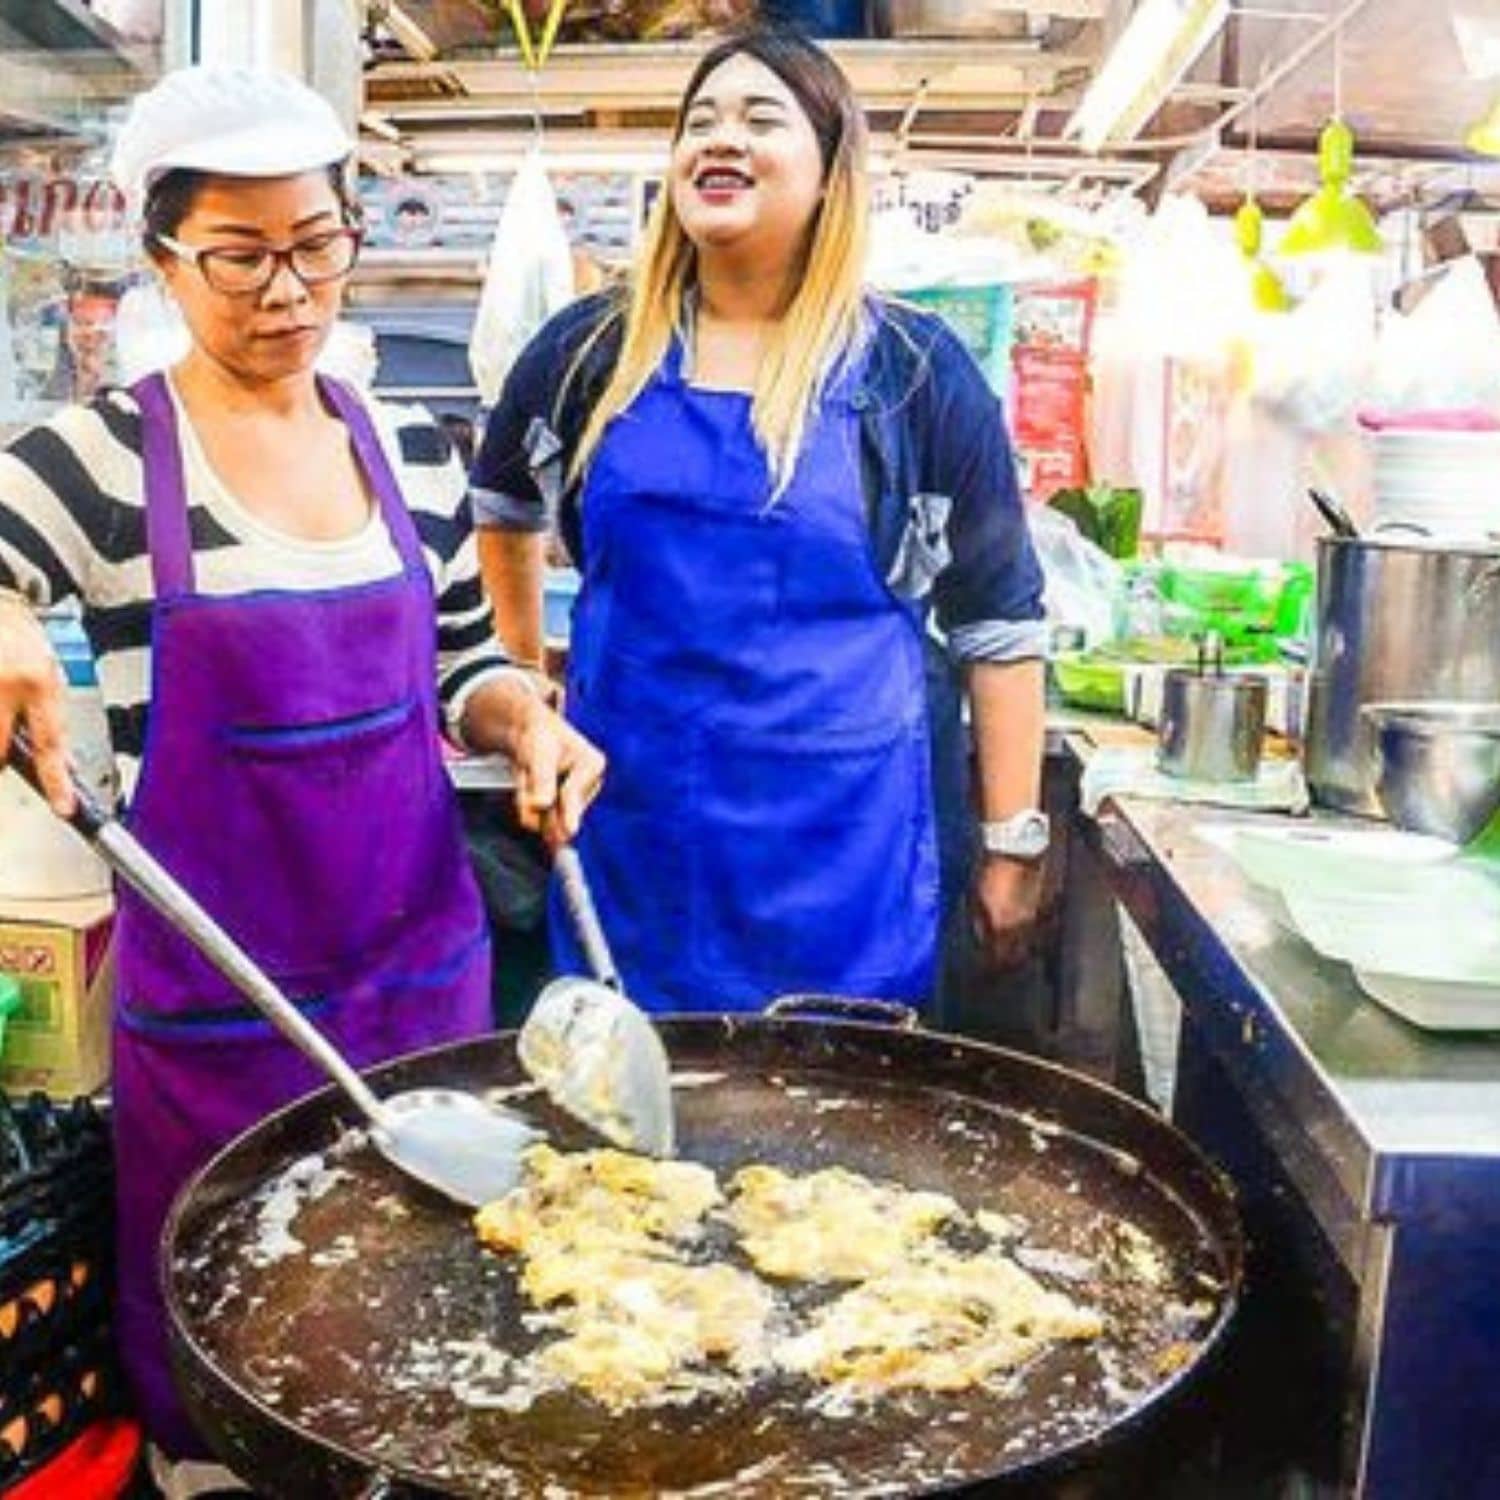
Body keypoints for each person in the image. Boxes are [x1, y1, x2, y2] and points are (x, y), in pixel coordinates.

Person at [0, 65, 603, 1468]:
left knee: (424, 1358)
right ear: (162, 257)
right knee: (237, 1379)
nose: (287, 290)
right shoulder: (96, 458)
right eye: (239, 255)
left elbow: (466, 666)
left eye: (316, 245)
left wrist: (528, 722)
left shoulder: (410, 448)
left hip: (419, 988)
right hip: (221, 1017)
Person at [469, 28, 1048, 1017]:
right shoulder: (588, 354)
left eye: (760, 118)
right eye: (700, 121)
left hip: (844, 855)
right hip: (636, 838)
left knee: (842, 1151)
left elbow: (1001, 623)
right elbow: (501, 504)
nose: (719, 139)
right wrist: (527, 687)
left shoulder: (913, 375)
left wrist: (1011, 843)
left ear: (830, 174)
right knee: (620, 1154)